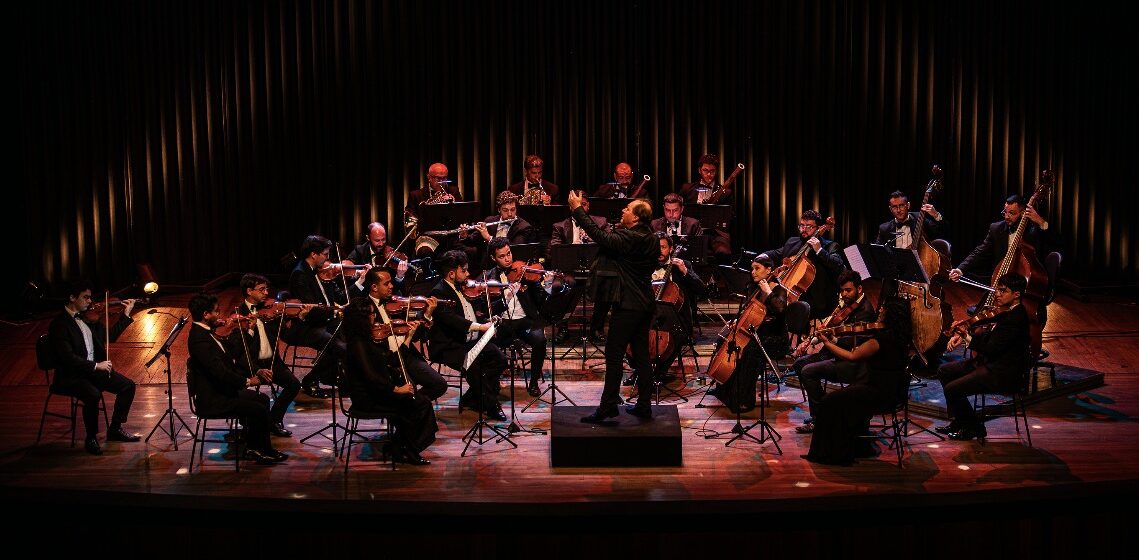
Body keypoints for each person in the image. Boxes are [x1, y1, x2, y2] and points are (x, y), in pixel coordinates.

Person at [566, 190, 659, 422]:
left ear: (636, 218)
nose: (623, 211)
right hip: (645, 303)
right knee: (641, 355)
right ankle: (644, 405)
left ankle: (608, 406)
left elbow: (600, 235)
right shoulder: (651, 236)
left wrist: (577, 209)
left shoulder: (632, 238)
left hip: (628, 306)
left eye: (628, 209)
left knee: (614, 355)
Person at [801, 298, 913, 466]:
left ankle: (833, 454)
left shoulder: (879, 340)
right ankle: (855, 446)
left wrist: (826, 342)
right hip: (892, 394)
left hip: (874, 392)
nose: (879, 311)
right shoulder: (902, 339)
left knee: (828, 402)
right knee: (841, 401)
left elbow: (852, 357)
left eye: (883, 309)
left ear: (890, 315)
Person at [187, 293, 287, 465]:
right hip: (213, 399)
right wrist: (248, 381)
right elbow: (220, 372)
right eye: (216, 312)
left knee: (262, 399)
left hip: (221, 391)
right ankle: (260, 450)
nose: (220, 316)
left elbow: (232, 351)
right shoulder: (199, 340)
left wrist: (248, 329)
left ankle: (253, 445)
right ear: (205, 314)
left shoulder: (207, 333)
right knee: (258, 409)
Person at [934, 274, 1032, 441]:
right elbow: (988, 336)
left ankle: (974, 427)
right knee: (944, 371)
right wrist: (965, 332)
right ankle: (961, 421)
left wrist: (966, 336)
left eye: (1003, 291)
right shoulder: (1006, 312)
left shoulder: (1016, 318)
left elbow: (991, 348)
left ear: (1017, 295)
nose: (997, 294)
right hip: (989, 363)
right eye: (997, 290)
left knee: (953, 389)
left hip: (1002, 372)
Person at [47, 281, 141, 455]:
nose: (90, 302)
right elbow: (67, 358)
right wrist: (96, 365)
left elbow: (109, 337)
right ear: (72, 297)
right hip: (72, 375)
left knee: (128, 386)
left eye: (90, 297)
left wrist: (126, 315)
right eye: (86, 297)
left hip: (93, 372)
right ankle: (91, 437)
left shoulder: (89, 320)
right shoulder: (60, 324)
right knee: (93, 394)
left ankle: (115, 428)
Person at [341, 297, 436, 465]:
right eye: (371, 314)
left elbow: (392, 360)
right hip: (368, 398)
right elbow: (370, 376)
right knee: (418, 404)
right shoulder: (358, 343)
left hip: (377, 391)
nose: (374, 317)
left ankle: (401, 447)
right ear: (361, 318)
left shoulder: (366, 339)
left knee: (420, 403)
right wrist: (396, 389)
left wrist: (408, 337)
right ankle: (405, 449)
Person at [949, 194, 1057, 325]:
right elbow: (979, 252)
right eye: (1005, 212)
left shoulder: (1035, 230)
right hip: (1000, 284)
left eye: (1012, 213)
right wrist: (960, 269)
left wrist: (1041, 222)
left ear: (1023, 213)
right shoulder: (996, 228)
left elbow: (1056, 241)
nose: (1006, 216)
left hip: (1025, 289)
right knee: (980, 320)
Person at [792, 270, 878, 433]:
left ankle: (821, 417)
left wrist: (832, 339)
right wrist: (813, 339)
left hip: (848, 359)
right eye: (842, 290)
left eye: (848, 290)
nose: (844, 294)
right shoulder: (844, 305)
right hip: (833, 352)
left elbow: (856, 342)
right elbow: (833, 328)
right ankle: (824, 411)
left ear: (859, 289)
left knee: (807, 371)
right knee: (799, 364)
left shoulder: (865, 311)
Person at [428, 250, 509, 421]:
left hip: (470, 342)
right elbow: (453, 320)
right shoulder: (438, 292)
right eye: (464, 270)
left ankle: (472, 398)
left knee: (500, 359)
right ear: (451, 273)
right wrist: (481, 327)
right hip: (450, 346)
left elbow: (470, 314)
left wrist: (487, 319)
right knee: (474, 367)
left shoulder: (463, 289)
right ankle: (491, 405)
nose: (468, 274)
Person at [709, 255, 789, 412]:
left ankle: (744, 400)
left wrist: (768, 292)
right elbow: (748, 311)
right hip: (756, 334)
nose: (753, 272)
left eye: (757, 268)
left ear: (769, 270)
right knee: (724, 340)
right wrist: (737, 321)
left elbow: (780, 310)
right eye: (752, 268)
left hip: (775, 339)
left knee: (750, 350)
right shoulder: (753, 288)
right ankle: (723, 388)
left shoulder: (779, 289)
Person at [625, 232, 706, 387]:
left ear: (670, 249)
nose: (659, 251)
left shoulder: (683, 265)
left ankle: (659, 372)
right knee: (628, 331)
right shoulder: (643, 265)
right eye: (655, 247)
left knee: (674, 335)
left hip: (676, 319)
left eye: (663, 247)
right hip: (647, 315)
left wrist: (685, 272)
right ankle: (638, 370)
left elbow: (702, 290)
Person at [228, 273, 302, 437]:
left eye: (267, 288)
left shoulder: (271, 312)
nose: (266, 293)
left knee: (294, 385)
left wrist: (298, 319)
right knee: (244, 393)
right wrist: (256, 369)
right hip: (250, 365)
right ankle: (249, 425)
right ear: (249, 291)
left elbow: (287, 337)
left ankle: (273, 421)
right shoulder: (238, 316)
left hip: (272, 363)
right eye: (262, 289)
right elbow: (238, 353)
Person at [359, 267, 448, 401]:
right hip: (388, 361)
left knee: (439, 384)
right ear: (374, 287)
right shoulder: (365, 309)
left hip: (406, 355)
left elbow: (416, 336)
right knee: (408, 391)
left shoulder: (397, 303)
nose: (391, 286)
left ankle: (415, 406)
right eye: (386, 283)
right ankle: (412, 408)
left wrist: (427, 314)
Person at [480, 238, 551, 397]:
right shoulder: (487, 278)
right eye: (502, 256)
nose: (507, 259)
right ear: (493, 258)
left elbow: (540, 300)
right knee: (487, 343)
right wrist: (507, 295)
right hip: (502, 323)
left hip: (525, 321)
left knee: (540, 340)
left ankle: (533, 383)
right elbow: (486, 309)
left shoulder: (525, 272)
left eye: (509, 253)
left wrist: (547, 285)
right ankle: (492, 381)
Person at [286, 235, 353, 398]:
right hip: (303, 326)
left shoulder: (316, 271)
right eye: (325, 254)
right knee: (338, 347)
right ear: (313, 254)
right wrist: (334, 311)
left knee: (349, 338)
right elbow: (313, 309)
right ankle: (310, 379)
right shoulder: (300, 275)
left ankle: (342, 379)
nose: (328, 258)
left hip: (321, 321)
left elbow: (338, 298)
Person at [761, 209, 845, 320]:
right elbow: (777, 252)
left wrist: (819, 250)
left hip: (816, 301)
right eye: (801, 226)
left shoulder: (830, 246)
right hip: (790, 295)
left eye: (809, 227)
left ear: (819, 228)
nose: (804, 230)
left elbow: (838, 266)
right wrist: (761, 257)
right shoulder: (793, 242)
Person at [549, 191, 608, 342]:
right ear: (570, 207)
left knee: (607, 284)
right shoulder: (560, 226)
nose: (581, 207)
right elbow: (554, 250)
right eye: (577, 204)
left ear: (589, 206)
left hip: (594, 270)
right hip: (570, 271)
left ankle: (597, 327)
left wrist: (593, 240)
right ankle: (562, 327)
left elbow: (609, 244)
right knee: (559, 285)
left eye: (584, 204)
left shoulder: (600, 223)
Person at [464, 191, 537, 272]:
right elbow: (471, 241)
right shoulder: (490, 220)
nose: (510, 214)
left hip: (511, 270)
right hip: (487, 268)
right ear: (499, 210)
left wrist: (489, 238)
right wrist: (464, 235)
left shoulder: (524, 227)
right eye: (505, 210)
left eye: (513, 209)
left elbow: (513, 249)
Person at [678, 154, 733, 259]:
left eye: (712, 171)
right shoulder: (687, 189)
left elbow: (729, 215)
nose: (709, 174)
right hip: (691, 231)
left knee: (724, 252)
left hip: (716, 233)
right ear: (699, 170)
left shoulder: (725, 193)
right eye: (705, 170)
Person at [342, 222, 411, 291]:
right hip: (364, 292)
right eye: (377, 240)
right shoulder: (360, 251)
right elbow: (345, 268)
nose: (381, 244)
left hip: (385, 295)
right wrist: (359, 272)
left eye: (383, 239)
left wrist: (399, 276)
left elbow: (396, 289)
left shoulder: (391, 254)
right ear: (368, 238)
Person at [875, 190, 946, 251]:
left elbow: (942, 231)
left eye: (901, 205)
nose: (898, 210)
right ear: (890, 209)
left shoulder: (919, 219)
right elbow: (877, 251)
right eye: (894, 207)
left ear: (908, 205)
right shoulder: (884, 228)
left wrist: (936, 215)